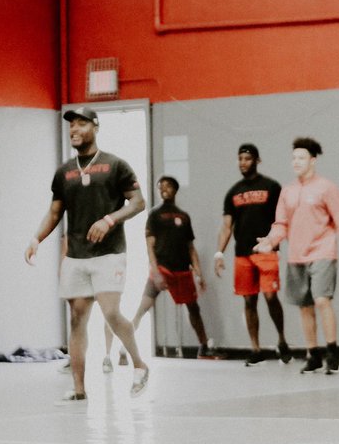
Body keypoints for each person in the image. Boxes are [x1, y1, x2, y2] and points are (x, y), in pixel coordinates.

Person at [24, 106, 150, 402]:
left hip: (109, 253)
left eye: (81, 124)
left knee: (109, 312)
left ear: (95, 127)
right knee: (77, 319)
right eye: (71, 126)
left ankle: (139, 364)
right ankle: (79, 389)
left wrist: (110, 219)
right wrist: (36, 239)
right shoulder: (64, 172)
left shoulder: (115, 165)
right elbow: (55, 212)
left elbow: (138, 202)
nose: (74, 130)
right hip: (76, 256)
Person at [255, 137, 339, 374]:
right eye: (293, 158)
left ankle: (332, 350)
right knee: (304, 306)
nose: (296, 162)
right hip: (296, 255)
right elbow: (281, 223)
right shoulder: (287, 191)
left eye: (301, 157)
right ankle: (313, 354)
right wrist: (270, 241)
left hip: (323, 252)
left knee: (322, 300)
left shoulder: (327, 188)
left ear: (313, 160)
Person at [114, 176, 216, 358]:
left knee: (194, 309)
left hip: (183, 270)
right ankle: (125, 346)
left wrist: (199, 275)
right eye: (161, 187)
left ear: (175, 189)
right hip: (162, 269)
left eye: (167, 186)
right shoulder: (154, 214)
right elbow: (149, 245)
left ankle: (204, 346)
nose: (163, 189)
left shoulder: (184, 216)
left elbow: (190, 248)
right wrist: (155, 270)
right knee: (143, 307)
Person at [213, 143, 293, 366]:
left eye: (247, 159)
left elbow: (281, 219)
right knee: (249, 301)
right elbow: (227, 226)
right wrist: (219, 253)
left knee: (270, 296)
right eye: (240, 159)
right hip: (242, 254)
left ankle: (282, 342)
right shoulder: (233, 192)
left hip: (266, 251)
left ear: (257, 160)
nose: (243, 163)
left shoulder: (271, 186)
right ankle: (256, 349)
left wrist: (275, 241)